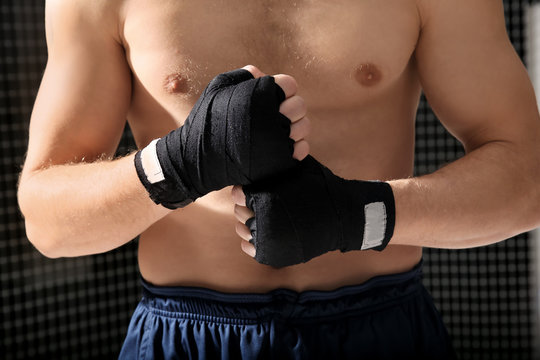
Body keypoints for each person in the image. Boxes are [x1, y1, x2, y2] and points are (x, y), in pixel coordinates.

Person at [17, 0, 540, 358]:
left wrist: (353, 217)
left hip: (380, 327)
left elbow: (526, 183)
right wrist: (178, 165)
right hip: (187, 335)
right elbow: (48, 222)